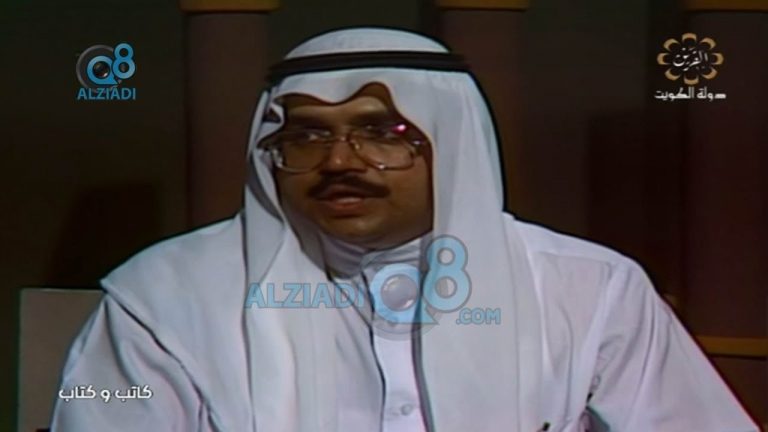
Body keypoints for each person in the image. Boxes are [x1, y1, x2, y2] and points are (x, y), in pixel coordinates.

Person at [51, 27, 759, 432]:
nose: (339, 162)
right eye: (306, 137)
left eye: (383, 133)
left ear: (451, 143)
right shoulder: (162, 296)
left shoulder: (591, 289)